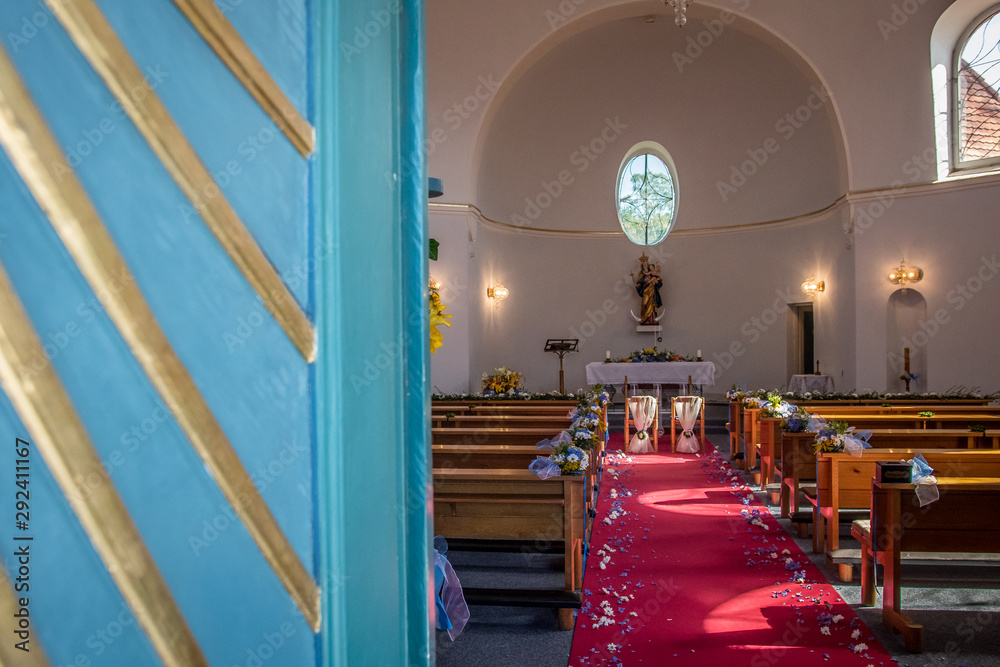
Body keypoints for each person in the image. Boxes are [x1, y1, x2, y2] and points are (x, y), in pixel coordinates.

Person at [633, 257, 663, 325]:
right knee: (644, 303)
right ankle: (644, 318)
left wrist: (656, 281)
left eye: (646, 264)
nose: (645, 266)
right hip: (645, 291)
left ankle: (652, 319)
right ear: (642, 266)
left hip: (652, 291)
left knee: (652, 304)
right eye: (644, 265)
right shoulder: (641, 273)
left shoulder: (652, 273)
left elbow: (659, 281)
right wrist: (638, 284)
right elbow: (639, 282)